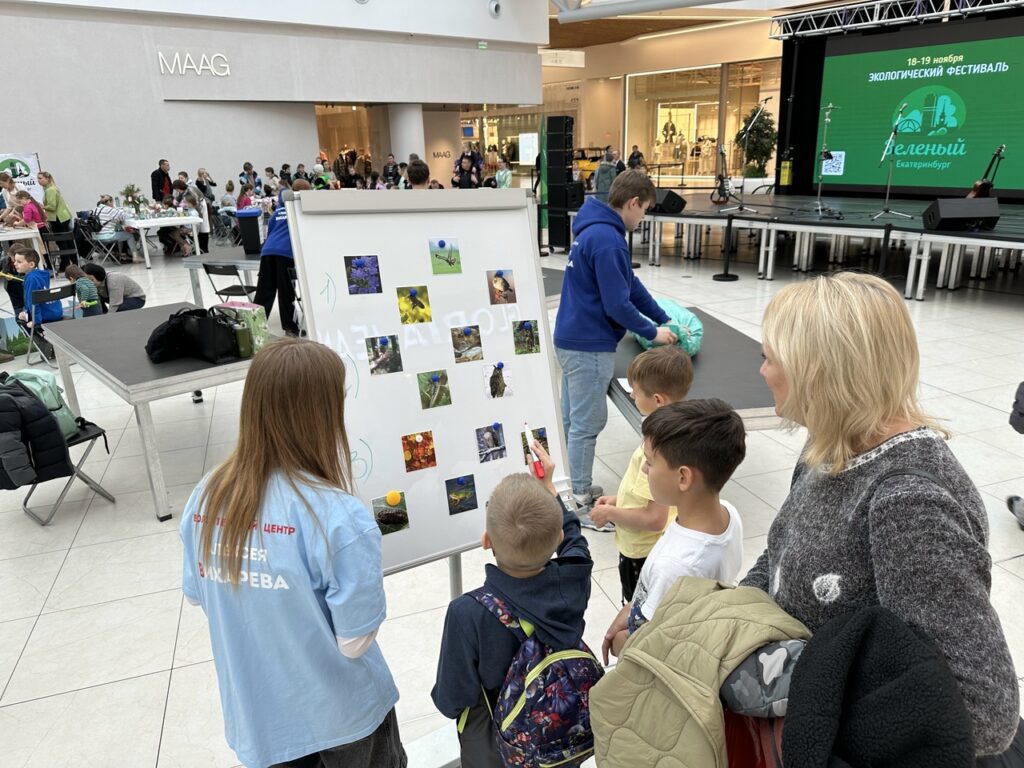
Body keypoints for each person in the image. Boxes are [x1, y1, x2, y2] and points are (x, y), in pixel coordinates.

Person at [742, 272, 1022, 762]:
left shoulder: (907, 501)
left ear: (819, 372)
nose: (761, 369)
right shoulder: (827, 446)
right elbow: (780, 550)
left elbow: (984, 713)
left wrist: (813, 697)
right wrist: (725, 620)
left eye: (770, 357)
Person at [180, 338, 405, 768]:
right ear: (321, 416)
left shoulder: (205, 496)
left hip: (261, 721)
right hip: (346, 721)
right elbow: (354, 642)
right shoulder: (340, 516)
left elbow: (197, 595)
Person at [432, 443, 592, 766]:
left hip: (498, 753)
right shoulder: (572, 583)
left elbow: (452, 699)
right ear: (558, 538)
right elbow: (577, 544)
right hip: (559, 746)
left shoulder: (467, 613)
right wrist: (550, 487)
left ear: (486, 541)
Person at [554, 170, 676, 512]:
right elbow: (617, 304)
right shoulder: (608, 240)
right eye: (645, 209)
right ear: (633, 202)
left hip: (570, 338)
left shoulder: (595, 231)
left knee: (570, 419)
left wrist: (660, 316)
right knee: (586, 423)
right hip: (588, 345)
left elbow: (629, 284)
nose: (644, 217)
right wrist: (653, 333)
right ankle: (579, 500)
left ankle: (570, 485)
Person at [602, 398, 746, 663]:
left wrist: (618, 641)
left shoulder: (675, 567)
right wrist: (633, 606)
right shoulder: (728, 512)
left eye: (649, 462)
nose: (644, 469)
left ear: (683, 477)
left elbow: (646, 650)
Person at [588, 346, 694, 583]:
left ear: (657, 400)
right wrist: (618, 500)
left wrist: (610, 513)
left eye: (634, 391)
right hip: (646, 547)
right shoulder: (674, 433)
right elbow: (649, 494)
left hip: (643, 553)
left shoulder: (660, 448)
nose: (632, 396)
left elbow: (654, 519)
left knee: (637, 612)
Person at [253, 179, 309, 337]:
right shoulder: (299, 210)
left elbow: (269, 233)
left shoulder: (277, 212)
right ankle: (290, 327)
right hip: (285, 254)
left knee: (264, 291)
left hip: (267, 252)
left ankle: (254, 328)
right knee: (286, 291)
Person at [13, 248, 61, 359]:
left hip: (44, 315)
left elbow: (32, 302)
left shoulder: (30, 279)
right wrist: (26, 312)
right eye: (15, 261)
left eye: (19, 262)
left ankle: (47, 349)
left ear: (31, 264)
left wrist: (35, 321)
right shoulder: (42, 274)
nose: (15, 264)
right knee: (24, 314)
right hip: (55, 311)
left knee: (19, 319)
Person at [37, 171, 76, 270]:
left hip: (58, 218)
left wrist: (42, 206)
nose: (38, 181)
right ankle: (73, 262)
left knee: (61, 242)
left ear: (47, 179)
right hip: (62, 217)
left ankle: (65, 264)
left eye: (40, 178)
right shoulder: (51, 189)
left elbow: (52, 206)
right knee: (66, 241)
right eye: (38, 178)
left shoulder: (50, 190)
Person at [93, 195, 135, 259]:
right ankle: (136, 256)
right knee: (129, 235)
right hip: (107, 236)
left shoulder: (95, 210)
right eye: (112, 202)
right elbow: (124, 216)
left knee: (121, 232)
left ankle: (121, 253)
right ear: (109, 202)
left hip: (96, 236)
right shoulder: (110, 210)